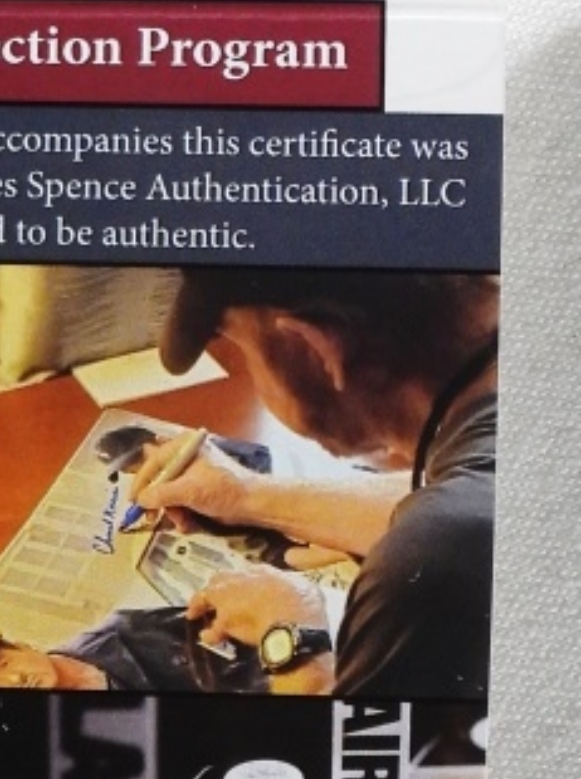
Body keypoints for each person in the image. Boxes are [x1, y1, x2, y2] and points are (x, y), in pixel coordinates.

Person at [130, 269, 497, 700]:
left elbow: (346, 744)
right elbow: (457, 500)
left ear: (314, 348)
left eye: (244, 350)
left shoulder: (432, 558)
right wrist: (245, 493)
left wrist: (292, 635)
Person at [0, 614, 263, 694]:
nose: (15, 680)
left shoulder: (123, 628)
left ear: (23, 646)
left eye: (4, 663)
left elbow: (222, 624)